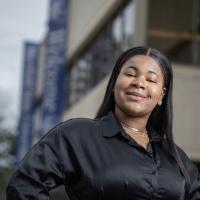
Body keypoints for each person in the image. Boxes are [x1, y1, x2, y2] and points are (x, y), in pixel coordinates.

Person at [7, 46, 200, 200]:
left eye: (151, 79)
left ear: (161, 95)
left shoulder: (177, 158)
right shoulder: (77, 135)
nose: (139, 83)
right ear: (115, 81)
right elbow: (25, 185)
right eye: (131, 74)